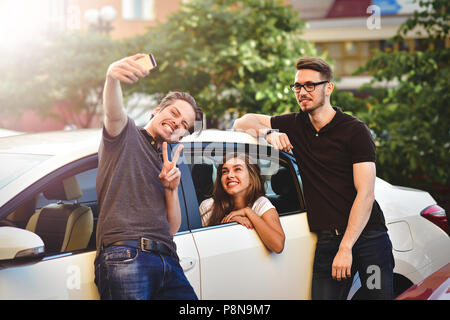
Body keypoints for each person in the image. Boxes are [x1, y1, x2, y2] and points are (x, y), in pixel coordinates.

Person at [233, 57, 395, 299]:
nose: (302, 92)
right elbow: (242, 121)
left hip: (368, 237)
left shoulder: (354, 130)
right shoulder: (295, 124)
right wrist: (268, 133)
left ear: (328, 87)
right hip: (328, 239)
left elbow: (366, 193)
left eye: (310, 85)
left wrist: (346, 247)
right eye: (297, 86)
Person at [94, 53, 203, 300]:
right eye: (174, 113)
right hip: (126, 256)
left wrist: (170, 187)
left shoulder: (170, 163)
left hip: (168, 261)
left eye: (184, 124)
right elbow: (113, 113)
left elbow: (172, 228)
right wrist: (112, 77)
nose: (177, 122)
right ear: (157, 111)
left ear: (182, 136)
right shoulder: (125, 135)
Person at [200, 153, 285, 253]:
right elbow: (204, 246)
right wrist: (231, 220)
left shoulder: (260, 203)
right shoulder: (208, 206)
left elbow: (278, 246)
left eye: (237, 169)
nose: (229, 175)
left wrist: (248, 212)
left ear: (251, 179)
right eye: (224, 171)